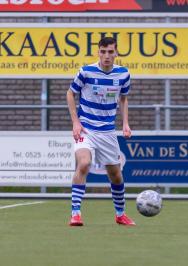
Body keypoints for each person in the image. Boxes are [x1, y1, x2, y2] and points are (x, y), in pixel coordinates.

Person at [66, 37, 135, 226]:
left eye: (110, 52)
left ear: (116, 53)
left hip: (107, 132)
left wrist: (125, 124)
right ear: (98, 52)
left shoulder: (123, 74)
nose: (106, 56)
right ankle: (75, 213)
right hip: (86, 129)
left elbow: (123, 99)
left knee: (115, 174)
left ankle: (120, 214)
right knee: (84, 163)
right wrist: (75, 122)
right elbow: (70, 93)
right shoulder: (86, 71)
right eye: (103, 51)